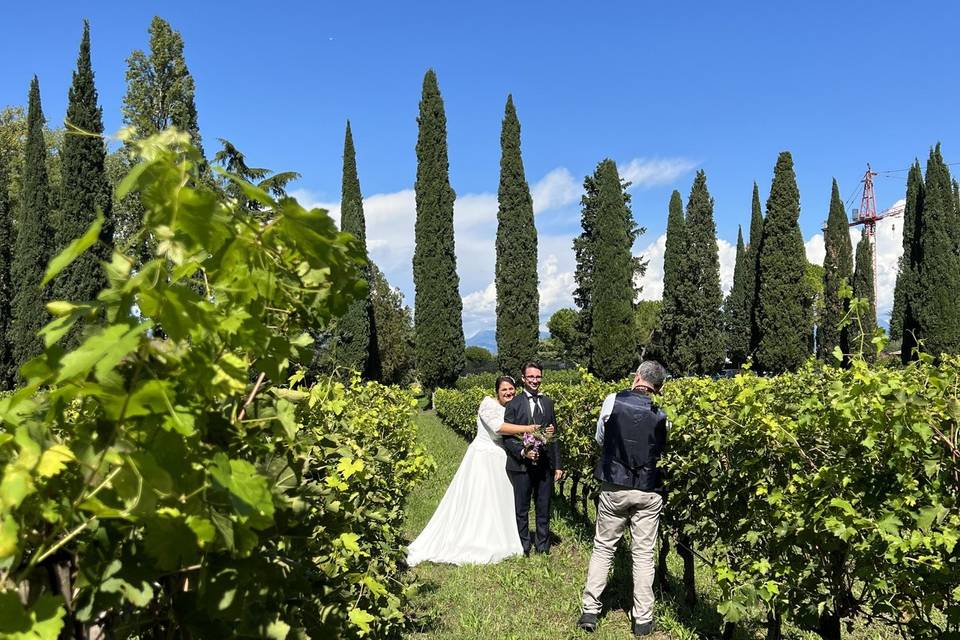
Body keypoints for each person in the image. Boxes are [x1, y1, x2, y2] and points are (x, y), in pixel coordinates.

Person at [407, 376, 542, 566]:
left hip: (501, 457)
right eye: (504, 389)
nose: (509, 392)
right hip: (483, 457)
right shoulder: (488, 404)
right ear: (497, 391)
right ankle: (477, 539)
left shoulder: (511, 408)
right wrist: (529, 428)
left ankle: (501, 537)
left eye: (511, 389)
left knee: (499, 501)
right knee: (481, 499)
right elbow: (499, 428)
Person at [577, 360, 669, 636]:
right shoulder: (663, 412)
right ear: (658, 386)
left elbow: (599, 437)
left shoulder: (612, 401)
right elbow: (663, 446)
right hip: (649, 488)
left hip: (614, 483)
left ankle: (590, 611)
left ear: (637, 377)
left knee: (604, 547)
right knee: (642, 555)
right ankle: (642, 620)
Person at [502, 362, 564, 555]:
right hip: (521, 466)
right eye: (531, 377)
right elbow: (507, 438)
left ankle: (543, 546)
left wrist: (558, 465)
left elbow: (553, 436)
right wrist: (523, 451)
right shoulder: (513, 404)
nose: (535, 380)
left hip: (544, 465)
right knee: (522, 508)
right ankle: (524, 546)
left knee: (543, 505)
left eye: (538, 377)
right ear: (523, 379)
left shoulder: (547, 403)